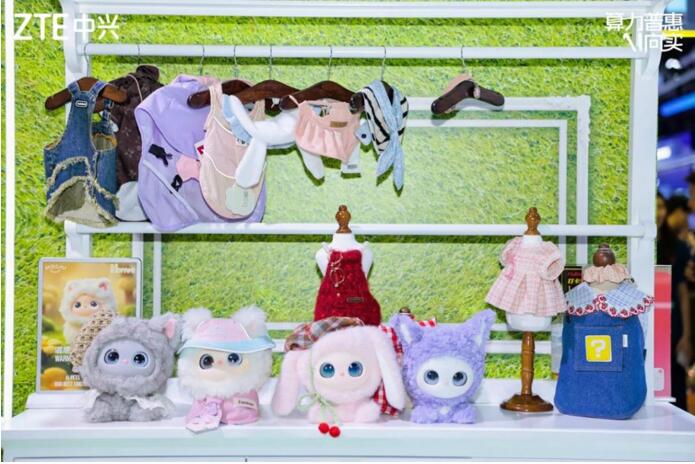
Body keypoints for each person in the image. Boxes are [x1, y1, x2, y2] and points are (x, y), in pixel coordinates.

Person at [657, 191, 693, 410]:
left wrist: (687, 334)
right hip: (650, 320)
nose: (658, 212)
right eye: (654, 206)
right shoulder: (640, 247)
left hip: (673, 320)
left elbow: (681, 291)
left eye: (661, 206)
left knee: (675, 378)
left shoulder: (676, 247)